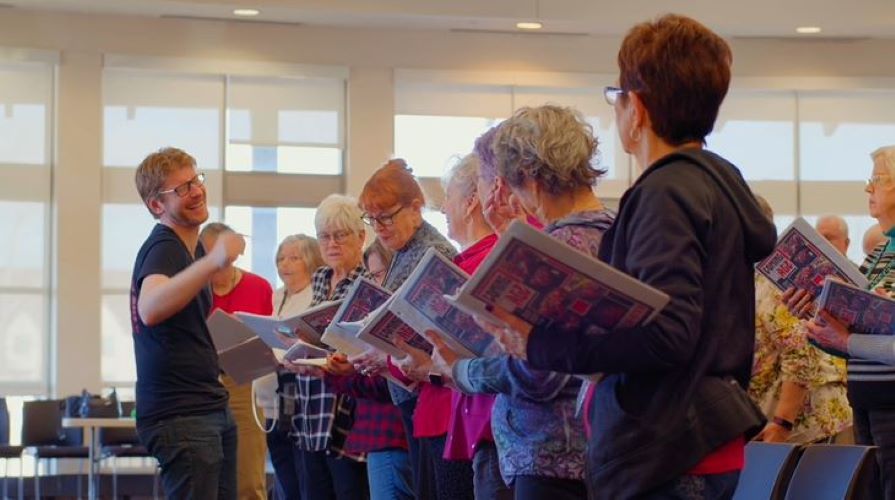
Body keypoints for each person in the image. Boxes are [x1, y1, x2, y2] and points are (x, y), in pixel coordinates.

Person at [461, 15, 778, 499]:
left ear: (640, 106)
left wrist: (541, 344)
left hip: (667, 446)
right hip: (698, 437)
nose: (619, 110)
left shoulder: (666, 192)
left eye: (619, 95)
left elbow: (670, 335)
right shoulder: (715, 182)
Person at [418, 105, 615, 499]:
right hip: (589, 449)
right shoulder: (613, 231)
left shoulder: (560, 249)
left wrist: (461, 371)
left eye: (506, 181)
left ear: (528, 178)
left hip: (551, 456)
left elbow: (538, 373)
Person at [131, 147, 244, 499]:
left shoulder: (190, 250)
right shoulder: (163, 247)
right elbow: (150, 308)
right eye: (181, 189)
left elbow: (187, 327)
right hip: (182, 415)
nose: (196, 190)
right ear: (156, 206)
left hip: (208, 406)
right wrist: (213, 262)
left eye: (196, 180)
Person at [792, 145, 895, 498]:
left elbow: (855, 342)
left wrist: (847, 341)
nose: (869, 189)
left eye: (878, 180)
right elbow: (844, 339)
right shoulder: (880, 253)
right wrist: (813, 316)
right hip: (865, 399)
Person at [356, 159, 458, 499]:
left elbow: (434, 331)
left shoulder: (433, 251)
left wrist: (382, 350)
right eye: (372, 218)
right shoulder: (402, 249)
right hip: (411, 392)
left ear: (416, 208)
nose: (379, 227)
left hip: (432, 392)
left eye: (386, 216)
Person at [281, 194, 371, 500]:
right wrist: (297, 351)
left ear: (361, 237)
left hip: (347, 409)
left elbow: (365, 346)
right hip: (311, 407)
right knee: (313, 491)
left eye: (340, 235)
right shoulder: (320, 277)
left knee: (349, 489)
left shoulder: (368, 282)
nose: (331, 244)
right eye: (324, 236)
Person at [749, 199, 852, 445]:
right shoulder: (746, 277)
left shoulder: (773, 281)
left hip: (802, 427)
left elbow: (800, 354)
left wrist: (782, 423)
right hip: (776, 423)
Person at [200, 222, 273, 500]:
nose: (220, 268)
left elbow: (269, 345)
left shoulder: (258, 287)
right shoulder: (193, 288)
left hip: (242, 379)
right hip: (200, 382)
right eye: (212, 260)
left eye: (226, 261)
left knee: (248, 477)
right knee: (204, 476)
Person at [261, 234, 324, 499]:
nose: (284, 264)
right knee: (283, 473)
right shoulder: (276, 297)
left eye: (293, 258)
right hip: (272, 399)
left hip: (303, 397)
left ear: (310, 261)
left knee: (301, 478)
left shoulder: (316, 296)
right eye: (280, 258)